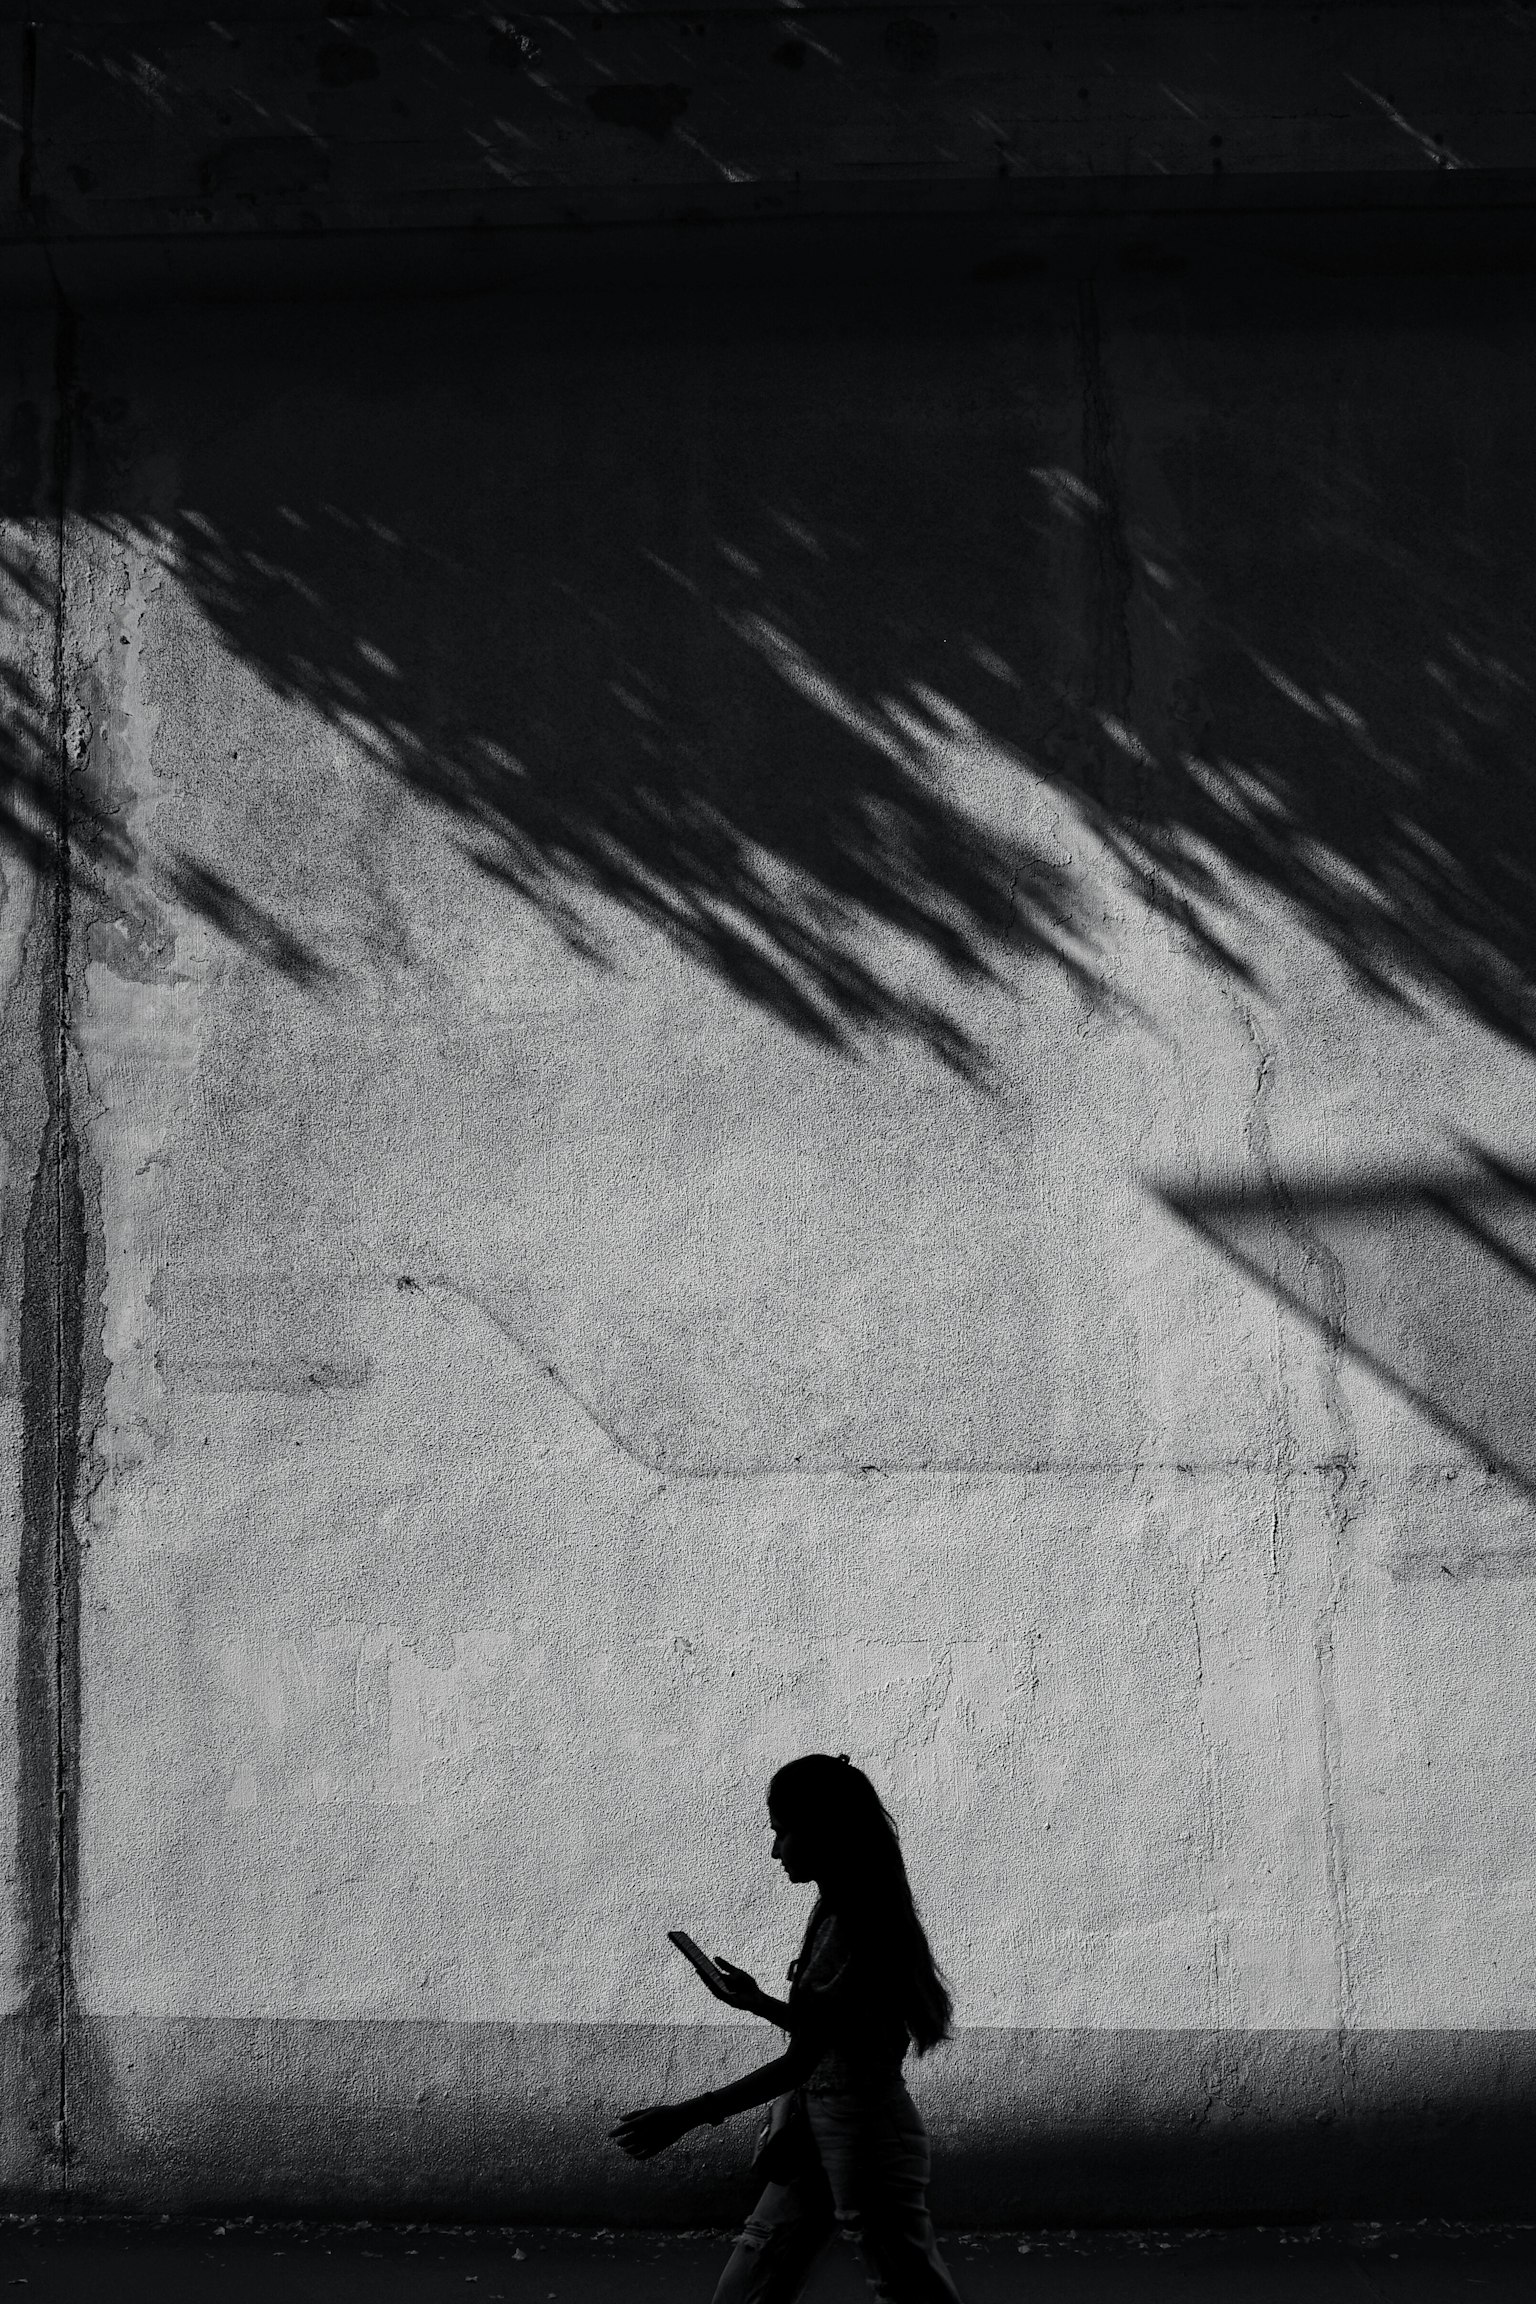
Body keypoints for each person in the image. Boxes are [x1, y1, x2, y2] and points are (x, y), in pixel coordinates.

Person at [610, 1752, 963, 2303]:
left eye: (782, 1832)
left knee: (908, 2290)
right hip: (823, 2126)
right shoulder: (840, 1911)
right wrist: (755, 2002)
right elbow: (829, 2034)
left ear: (822, 1830)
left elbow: (805, 2055)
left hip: (863, 2132)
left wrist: (688, 2114)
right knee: (748, 2289)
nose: (775, 1850)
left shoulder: (854, 1922)